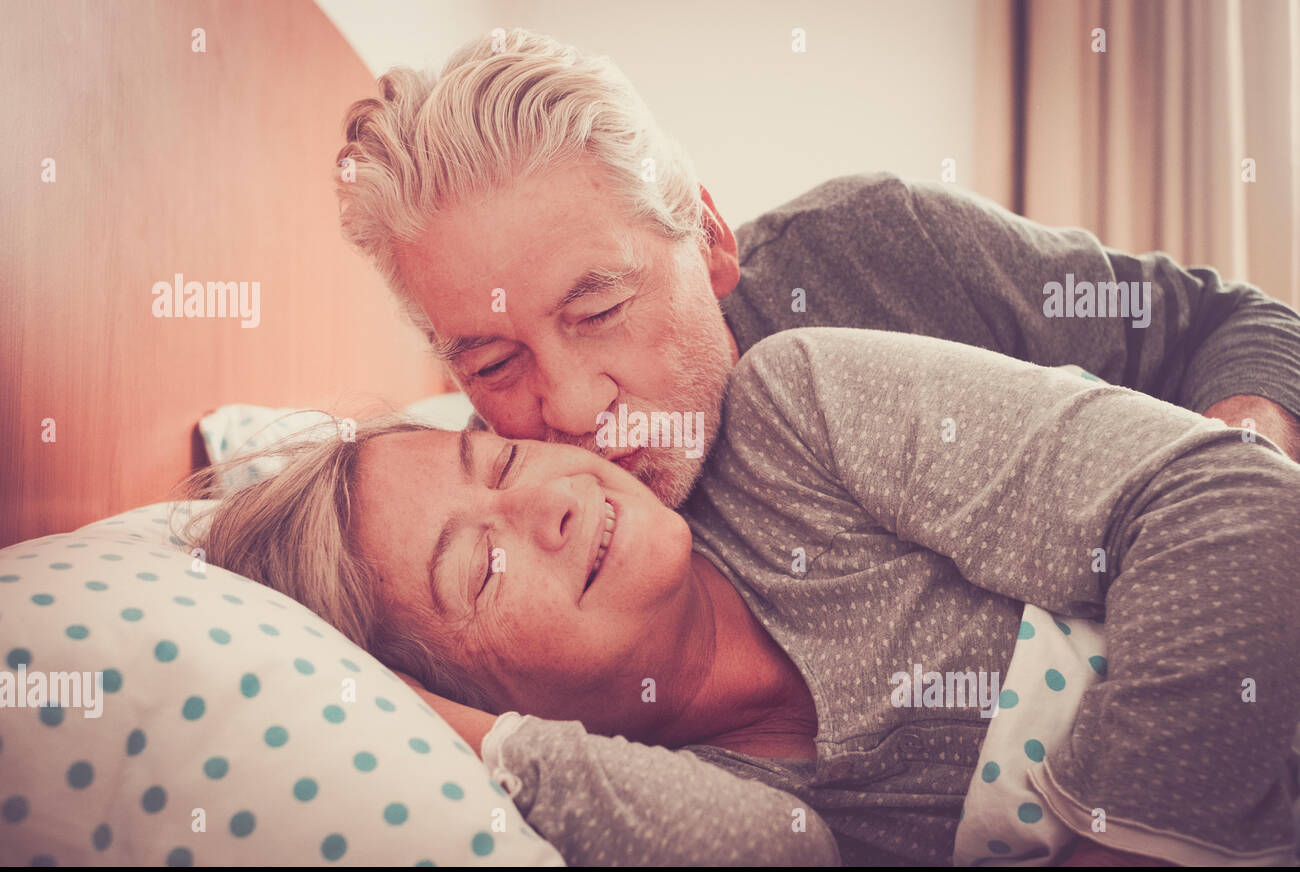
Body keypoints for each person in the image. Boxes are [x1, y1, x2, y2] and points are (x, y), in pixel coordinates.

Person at [184, 327, 1300, 867]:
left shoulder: (792, 423)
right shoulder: (717, 795)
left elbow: (1237, 502)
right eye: (477, 568)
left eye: (505, 464)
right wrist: (421, 712)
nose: (551, 506)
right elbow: (779, 850)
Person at [335, 28, 1300, 517]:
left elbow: (1238, 324)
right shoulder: (495, 513)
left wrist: (1236, 491)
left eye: (599, 309)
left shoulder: (879, 246)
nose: (577, 409)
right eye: (494, 363)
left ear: (709, 239)